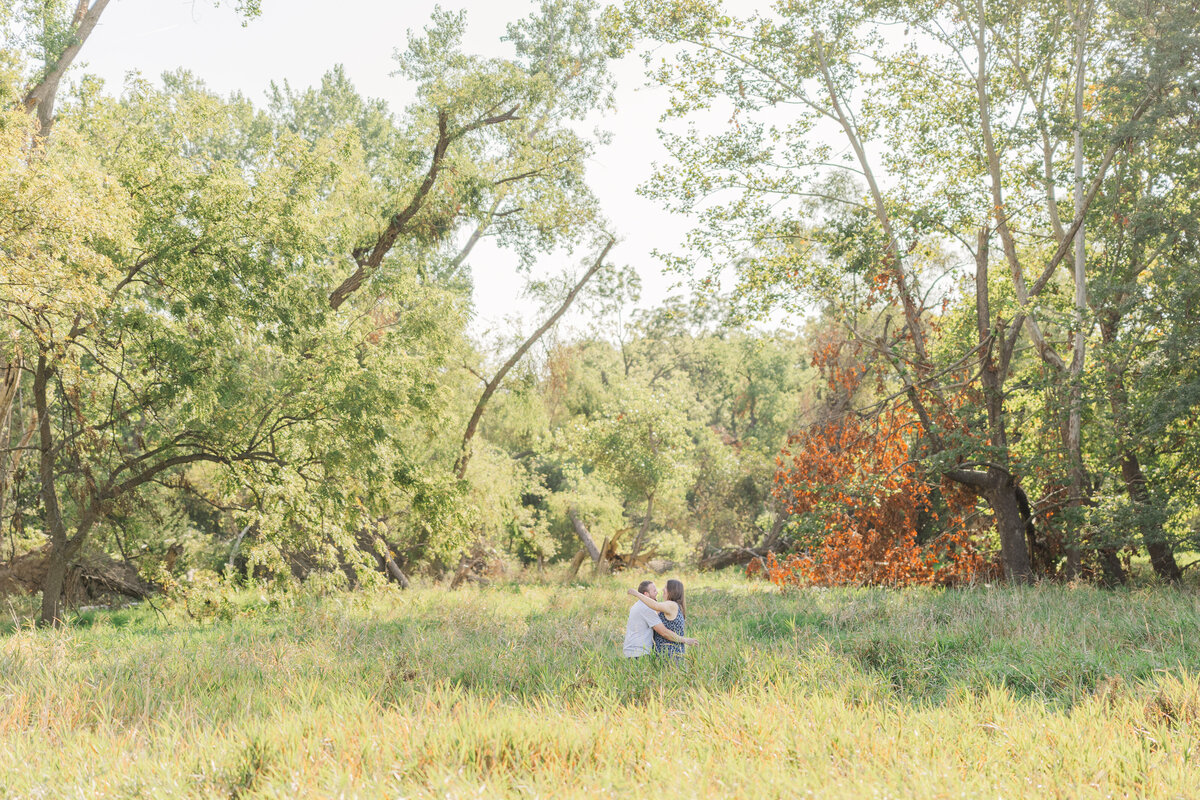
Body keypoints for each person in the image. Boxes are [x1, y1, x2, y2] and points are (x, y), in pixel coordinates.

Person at [622, 579, 696, 658]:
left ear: (671, 591)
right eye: (654, 591)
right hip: (660, 653)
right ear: (646, 594)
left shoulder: (671, 605)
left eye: (665, 587)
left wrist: (636, 594)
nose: (662, 590)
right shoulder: (649, 608)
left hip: (670, 653)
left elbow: (656, 607)